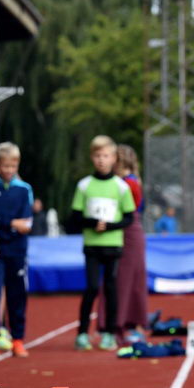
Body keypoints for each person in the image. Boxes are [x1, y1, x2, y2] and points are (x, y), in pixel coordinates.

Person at [71, 135, 137, 351]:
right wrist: (92, 223)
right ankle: (82, 333)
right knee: (90, 287)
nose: (101, 160)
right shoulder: (84, 185)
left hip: (113, 245)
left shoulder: (121, 187)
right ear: (92, 157)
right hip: (91, 245)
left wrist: (109, 226)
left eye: (106, 156)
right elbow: (75, 217)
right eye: (98, 156)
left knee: (110, 288)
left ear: (114, 159)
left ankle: (109, 333)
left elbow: (129, 217)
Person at [0, 143, 32, 358]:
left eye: (13, 166)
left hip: (17, 250)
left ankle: (17, 338)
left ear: (17, 164)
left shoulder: (24, 190)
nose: (9, 170)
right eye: (5, 166)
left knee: (17, 295)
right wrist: (12, 224)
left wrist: (4, 222)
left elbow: (26, 223)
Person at [113, 145, 149, 343]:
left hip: (128, 231)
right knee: (123, 279)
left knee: (131, 279)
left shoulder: (129, 183)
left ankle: (132, 324)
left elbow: (131, 209)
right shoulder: (126, 181)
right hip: (121, 231)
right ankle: (123, 324)